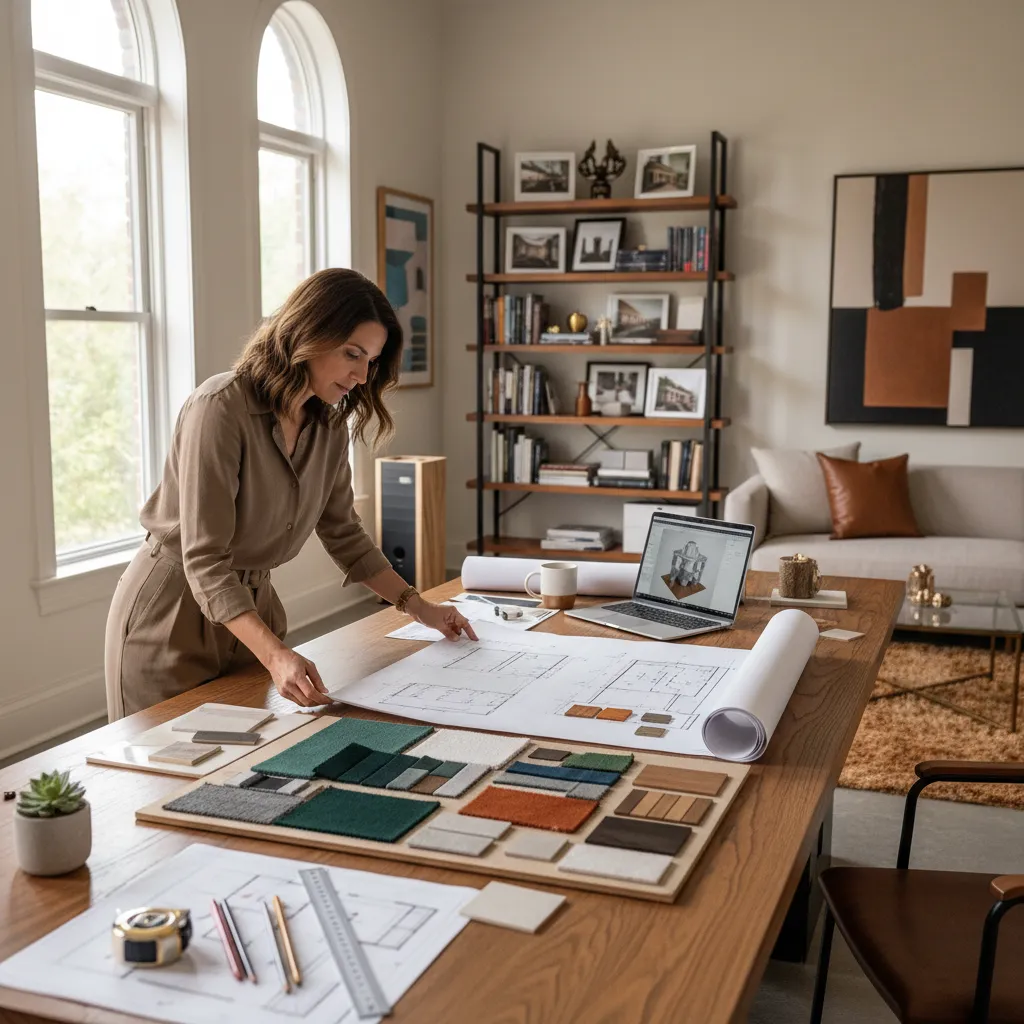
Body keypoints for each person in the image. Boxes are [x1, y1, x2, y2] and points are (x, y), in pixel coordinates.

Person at [104, 268, 476, 719]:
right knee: (159, 779)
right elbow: (203, 560)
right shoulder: (219, 408)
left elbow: (345, 534)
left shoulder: (331, 425)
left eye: (371, 361)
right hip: (171, 617)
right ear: (309, 333)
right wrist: (277, 654)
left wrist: (421, 609)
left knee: (243, 770)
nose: (361, 375)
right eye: (351, 354)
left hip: (253, 614)